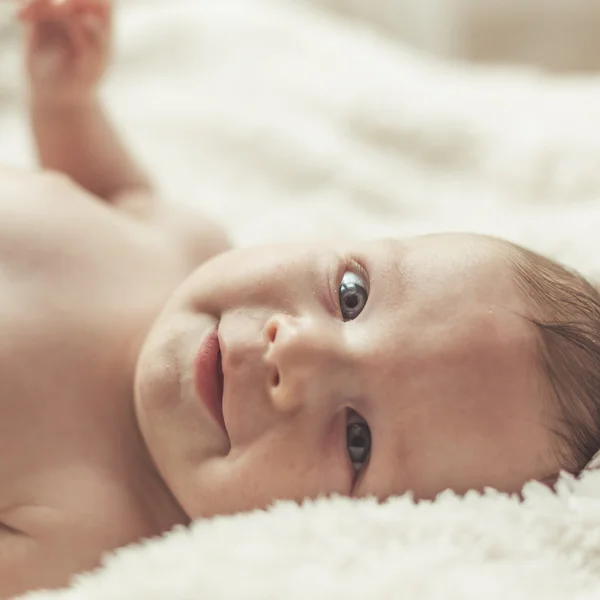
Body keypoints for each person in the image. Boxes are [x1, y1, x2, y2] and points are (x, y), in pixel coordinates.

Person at [2, 0, 600, 597]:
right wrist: (66, 103)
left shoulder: (90, 531)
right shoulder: (184, 246)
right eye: (351, 295)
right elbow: (116, 192)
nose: (297, 351)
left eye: (356, 440)